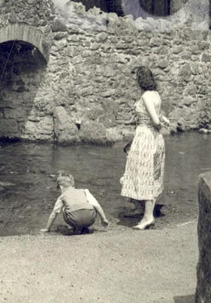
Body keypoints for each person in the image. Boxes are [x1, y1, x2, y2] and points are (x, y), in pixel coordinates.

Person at [120, 66, 166, 230]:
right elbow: (158, 114)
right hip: (155, 138)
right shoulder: (156, 94)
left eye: (136, 79)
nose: (134, 82)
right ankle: (143, 210)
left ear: (141, 80)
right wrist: (161, 123)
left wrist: (158, 125)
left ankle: (148, 217)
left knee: (143, 174)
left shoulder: (146, 95)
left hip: (146, 136)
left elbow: (154, 119)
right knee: (150, 174)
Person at [43, 172, 110, 234]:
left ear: (61, 187)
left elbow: (54, 213)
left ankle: (77, 228)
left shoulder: (62, 196)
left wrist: (47, 228)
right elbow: (96, 205)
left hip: (75, 219)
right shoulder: (84, 191)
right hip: (90, 219)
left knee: (64, 208)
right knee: (91, 205)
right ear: (73, 184)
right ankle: (84, 227)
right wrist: (103, 219)